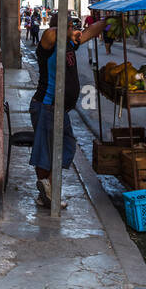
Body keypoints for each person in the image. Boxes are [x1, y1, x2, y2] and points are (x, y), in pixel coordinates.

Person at [30, 15, 107, 210]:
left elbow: (90, 31)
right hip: (47, 105)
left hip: (60, 108)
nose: (74, 29)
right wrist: (66, 32)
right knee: (46, 152)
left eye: (73, 25)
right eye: (69, 25)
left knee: (67, 146)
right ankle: (49, 193)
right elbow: (50, 33)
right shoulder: (48, 43)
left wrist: (108, 20)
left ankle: (47, 189)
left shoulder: (71, 44)